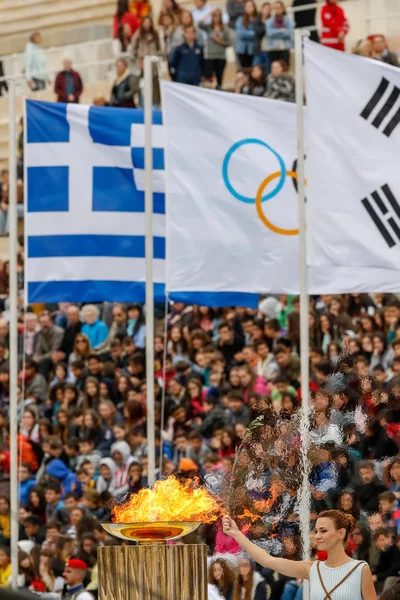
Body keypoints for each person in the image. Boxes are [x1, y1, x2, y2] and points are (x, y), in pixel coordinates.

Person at [222, 510, 377, 600]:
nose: (317, 536)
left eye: (323, 531)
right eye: (316, 531)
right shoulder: (312, 568)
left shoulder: (360, 569)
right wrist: (237, 534)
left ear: (341, 533)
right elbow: (267, 560)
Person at [131, 16, 161, 106]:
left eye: (149, 22)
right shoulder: (138, 34)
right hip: (142, 65)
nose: (147, 24)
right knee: (142, 88)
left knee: (155, 89)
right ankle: (142, 105)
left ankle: (155, 106)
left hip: (153, 66)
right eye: (145, 22)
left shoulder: (155, 34)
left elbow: (160, 48)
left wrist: (156, 57)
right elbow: (133, 49)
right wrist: (138, 61)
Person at [199, 9, 230, 89]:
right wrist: (209, 13)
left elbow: (228, 43)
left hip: (221, 56)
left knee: (219, 77)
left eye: (217, 15)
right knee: (208, 77)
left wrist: (220, 41)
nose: (215, 17)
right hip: (210, 56)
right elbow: (199, 23)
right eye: (214, 15)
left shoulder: (224, 29)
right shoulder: (209, 27)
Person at [265, 1, 293, 67]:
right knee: (274, 66)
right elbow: (269, 33)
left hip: (285, 47)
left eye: (279, 7)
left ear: (283, 8)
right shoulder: (269, 21)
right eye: (276, 8)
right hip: (273, 47)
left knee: (285, 66)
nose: (278, 9)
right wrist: (282, 30)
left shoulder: (288, 20)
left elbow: (289, 33)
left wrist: (275, 32)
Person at [235, 0, 259, 67]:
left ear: (254, 7)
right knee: (244, 69)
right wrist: (253, 33)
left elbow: (259, 33)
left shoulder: (257, 19)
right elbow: (241, 34)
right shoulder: (240, 20)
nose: (249, 8)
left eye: (251, 6)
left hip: (254, 49)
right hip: (242, 49)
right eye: (247, 6)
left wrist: (248, 33)